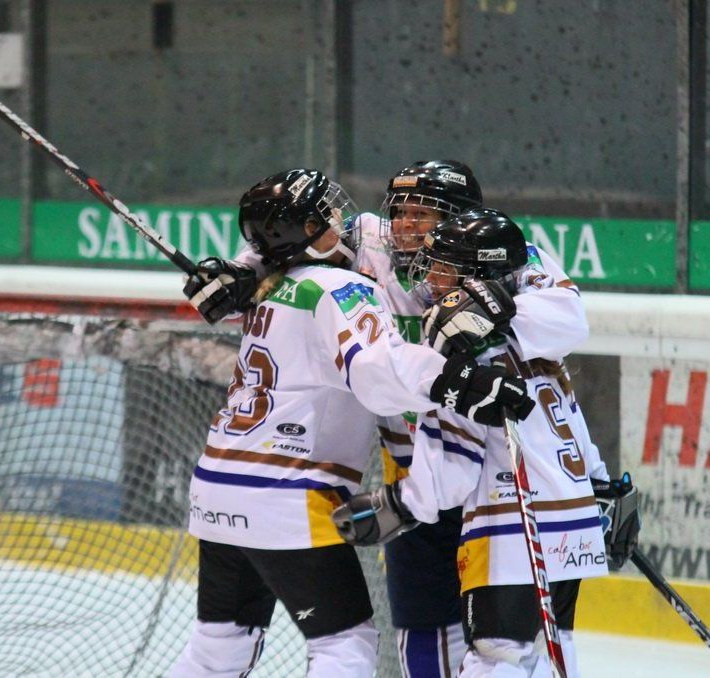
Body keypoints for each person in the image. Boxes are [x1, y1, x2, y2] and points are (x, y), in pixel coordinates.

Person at [184, 160, 602, 677]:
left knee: (517, 644)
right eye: (399, 211)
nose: (404, 225)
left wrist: (500, 309)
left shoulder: (506, 255)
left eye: (423, 214)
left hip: (480, 478)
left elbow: (569, 318)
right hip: (416, 471)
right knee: (427, 630)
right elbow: (290, 236)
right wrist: (244, 270)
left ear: (462, 220)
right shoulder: (370, 242)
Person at [332, 208, 640, 677]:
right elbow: (572, 424)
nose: (429, 278)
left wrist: (396, 503)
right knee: (551, 655)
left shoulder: (467, 358)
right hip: (571, 527)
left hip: (511, 532)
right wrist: (601, 486)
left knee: (496, 659)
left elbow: (452, 468)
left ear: (476, 277)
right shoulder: (536, 347)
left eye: (442, 268)